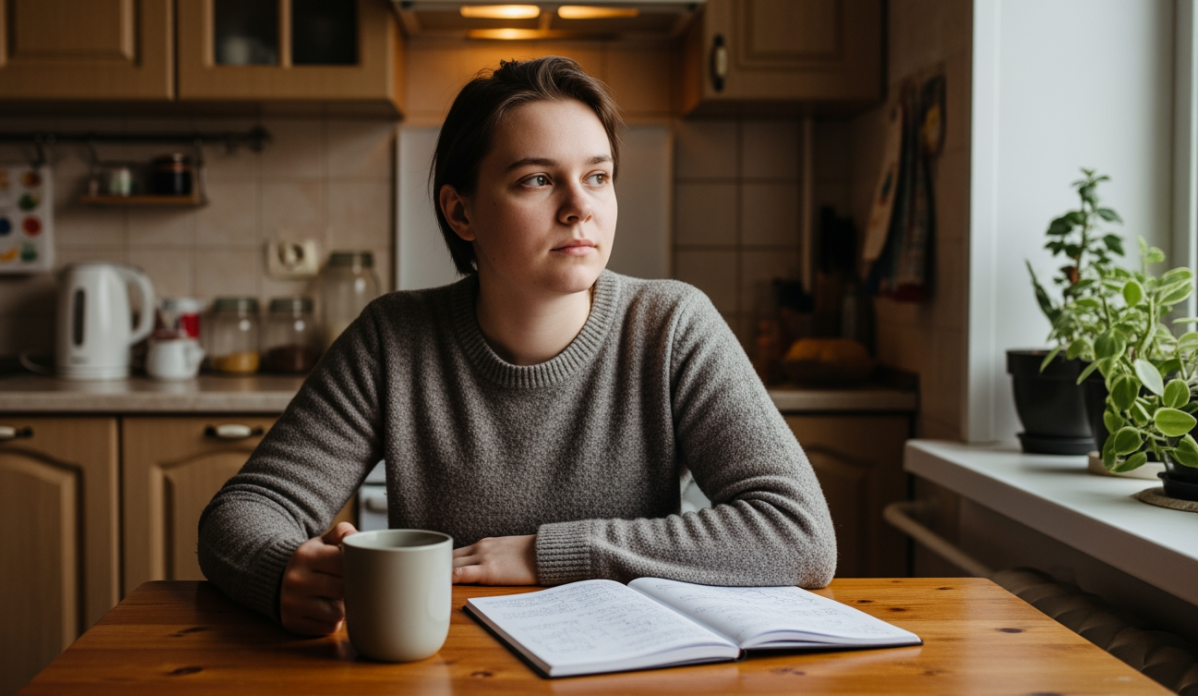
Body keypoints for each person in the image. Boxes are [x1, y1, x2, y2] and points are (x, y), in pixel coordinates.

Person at [198, 56, 837, 636]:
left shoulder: (672, 325)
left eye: (598, 177)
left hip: (630, 665)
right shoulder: (394, 338)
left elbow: (799, 534)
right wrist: (282, 568)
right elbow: (246, 511)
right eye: (537, 180)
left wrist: (546, 552)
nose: (579, 207)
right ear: (461, 213)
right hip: (452, 665)